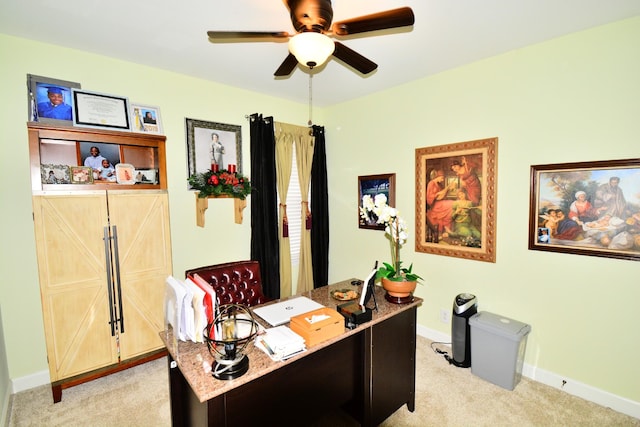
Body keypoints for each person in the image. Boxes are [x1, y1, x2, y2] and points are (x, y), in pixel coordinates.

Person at [426, 169, 454, 237]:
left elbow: (442, 196)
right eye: (442, 178)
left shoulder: (439, 184)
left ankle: (447, 228)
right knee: (452, 204)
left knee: (453, 204)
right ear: (437, 177)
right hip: (435, 205)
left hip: (440, 203)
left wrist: (448, 189)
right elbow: (429, 197)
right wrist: (437, 194)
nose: (442, 180)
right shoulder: (431, 183)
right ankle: (445, 228)